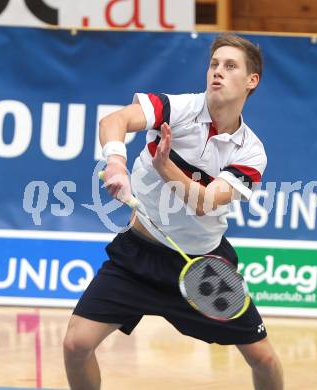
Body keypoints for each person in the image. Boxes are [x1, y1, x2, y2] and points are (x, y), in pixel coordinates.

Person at [63, 32, 284, 390]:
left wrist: (164, 165)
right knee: (76, 344)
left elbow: (205, 201)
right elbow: (113, 122)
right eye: (214, 64)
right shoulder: (176, 108)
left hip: (201, 266)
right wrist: (116, 162)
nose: (218, 72)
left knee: (263, 358)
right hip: (138, 256)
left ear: (251, 81)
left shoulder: (251, 152)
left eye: (230, 66)